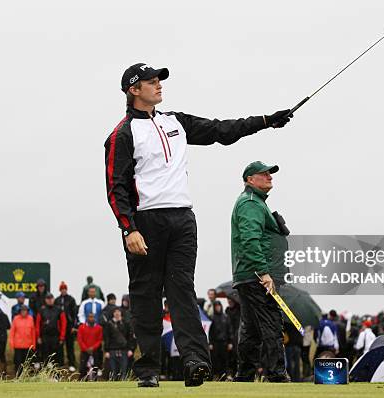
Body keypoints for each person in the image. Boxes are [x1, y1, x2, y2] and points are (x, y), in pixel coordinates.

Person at [105, 63, 291, 388]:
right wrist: (128, 228)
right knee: (146, 294)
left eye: (159, 80)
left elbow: (221, 131)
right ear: (134, 90)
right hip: (145, 222)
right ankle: (148, 370)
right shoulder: (122, 134)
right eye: (151, 82)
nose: (158, 85)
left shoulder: (175, 122)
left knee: (182, 291)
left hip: (182, 220)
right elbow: (115, 186)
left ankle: (195, 362)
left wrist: (264, 122)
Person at [230, 161, 290, 382]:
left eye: (270, 174)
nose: (269, 177)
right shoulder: (251, 203)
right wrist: (264, 273)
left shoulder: (254, 202)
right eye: (263, 174)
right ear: (249, 180)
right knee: (271, 323)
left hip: (250, 274)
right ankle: (277, 375)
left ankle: (244, 375)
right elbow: (250, 239)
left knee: (252, 328)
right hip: (258, 276)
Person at [35, 293, 66, 366]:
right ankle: (44, 373)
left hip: (56, 337)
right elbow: (37, 324)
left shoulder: (59, 310)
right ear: (45, 300)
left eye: (51, 299)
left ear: (53, 299)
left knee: (56, 356)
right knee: (45, 355)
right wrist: (38, 337)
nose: (50, 300)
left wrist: (62, 337)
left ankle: (56, 375)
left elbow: (64, 324)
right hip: (45, 337)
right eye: (48, 299)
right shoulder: (41, 310)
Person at [104, 308, 135, 380]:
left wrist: (130, 349)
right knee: (113, 371)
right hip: (112, 350)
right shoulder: (109, 324)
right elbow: (107, 338)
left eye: (118, 312)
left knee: (123, 371)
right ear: (113, 313)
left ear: (121, 313)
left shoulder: (126, 323)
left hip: (124, 350)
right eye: (115, 312)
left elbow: (130, 337)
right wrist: (107, 350)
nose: (117, 313)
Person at [55, 281, 77, 370]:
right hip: (60, 327)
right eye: (62, 289)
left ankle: (71, 364)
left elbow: (74, 313)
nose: (63, 290)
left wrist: (73, 326)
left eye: (64, 289)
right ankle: (60, 363)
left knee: (70, 346)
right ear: (60, 290)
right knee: (59, 346)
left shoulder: (71, 299)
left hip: (69, 326)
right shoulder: (57, 300)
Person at [10, 305, 36, 375]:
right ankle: (18, 376)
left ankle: (26, 376)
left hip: (28, 345)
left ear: (27, 311)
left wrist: (34, 345)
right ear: (20, 311)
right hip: (18, 346)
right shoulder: (16, 319)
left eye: (25, 310)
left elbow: (33, 333)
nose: (24, 312)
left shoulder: (31, 318)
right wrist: (11, 344)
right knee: (18, 362)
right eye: (22, 310)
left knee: (27, 363)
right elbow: (12, 332)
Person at [77, 312, 103, 380]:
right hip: (84, 351)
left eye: (93, 317)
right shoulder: (81, 327)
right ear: (87, 318)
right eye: (90, 317)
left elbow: (99, 340)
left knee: (95, 368)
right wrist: (86, 348)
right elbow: (80, 339)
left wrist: (93, 348)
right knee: (83, 369)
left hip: (95, 352)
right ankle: (82, 382)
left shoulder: (99, 328)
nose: (91, 319)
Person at [208, 301, 230, 379]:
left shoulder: (225, 317)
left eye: (219, 306)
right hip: (215, 343)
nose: (218, 307)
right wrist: (210, 343)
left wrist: (230, 342)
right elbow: (209, 332)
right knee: (215, 360)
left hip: (224, 342)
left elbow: (229, 330)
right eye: (216, 306)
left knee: (225, 359)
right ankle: (216, 375)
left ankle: (225, 375)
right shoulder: (211, 317)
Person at [225, 296, 240, 377]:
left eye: (231, 300)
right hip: (230, 334)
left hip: (237, 334)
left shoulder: (238, 309)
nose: (229, 301)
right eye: (228, 300)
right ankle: (231, 373)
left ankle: (237, 372)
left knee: (237, 354)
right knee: (231, 356)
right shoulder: (227, 310)